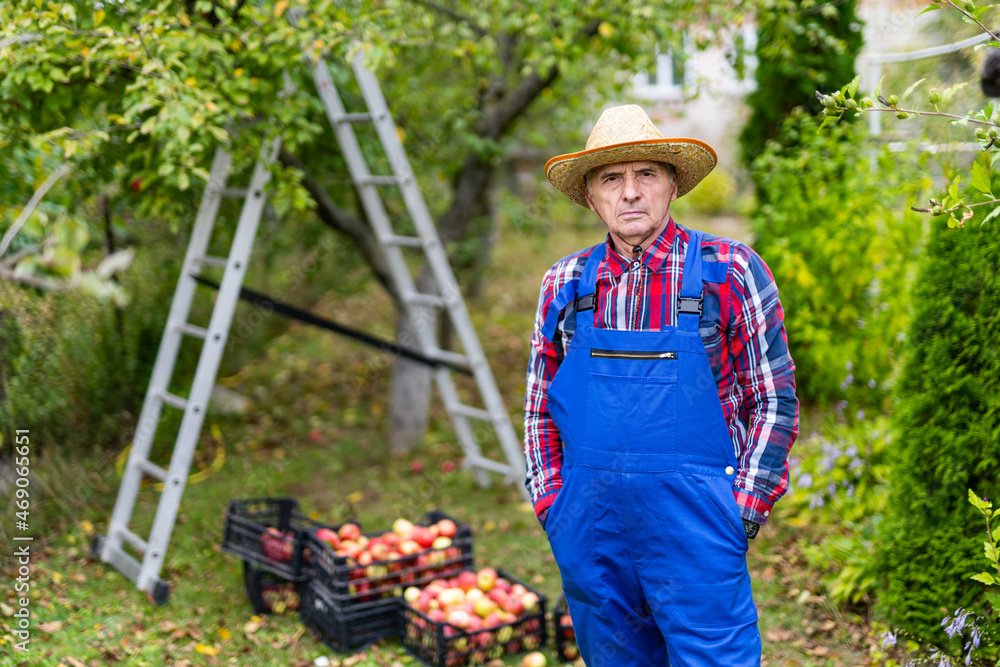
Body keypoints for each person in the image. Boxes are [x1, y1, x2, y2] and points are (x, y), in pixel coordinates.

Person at [523, 105, 799, 666]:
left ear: (672, 184)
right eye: (611, 178)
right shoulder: (565, 283)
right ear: (591, 196)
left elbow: (773, 399)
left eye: (646, 174)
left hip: (699, 529)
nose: (630, 192)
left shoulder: (731, 270)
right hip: (591, 531)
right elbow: (538, 410)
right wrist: (552, 502)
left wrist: (741, 509)